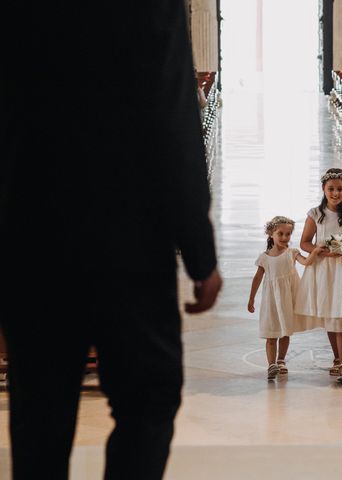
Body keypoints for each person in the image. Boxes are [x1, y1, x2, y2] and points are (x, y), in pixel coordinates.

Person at [1, 2, 223, 478]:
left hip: (29, 233)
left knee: (39, 410)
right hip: (130, 239)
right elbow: (172, 118)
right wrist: (199, 252)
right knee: (148, 400)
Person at [295, 168, 342, 383]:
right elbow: (305, 242)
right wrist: (318, 250)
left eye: (340, 189)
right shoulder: (315, 214)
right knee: (331, 313)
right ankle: (337, 359)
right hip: (325, 268)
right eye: (331, 189)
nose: (335, 193)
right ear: (323, 189)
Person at [248, 217, 322, 380]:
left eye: (288, 234)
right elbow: (257, 278)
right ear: (271, 234)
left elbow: (307, 262)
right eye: (280, 234)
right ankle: (271, 364)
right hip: (272, 301)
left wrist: (315, 251)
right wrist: (251, 298)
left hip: (288, 299)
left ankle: (281, 360)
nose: (284, 237)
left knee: (285, 331)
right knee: (271, 332)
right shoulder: (264, 258)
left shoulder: (292, 253)